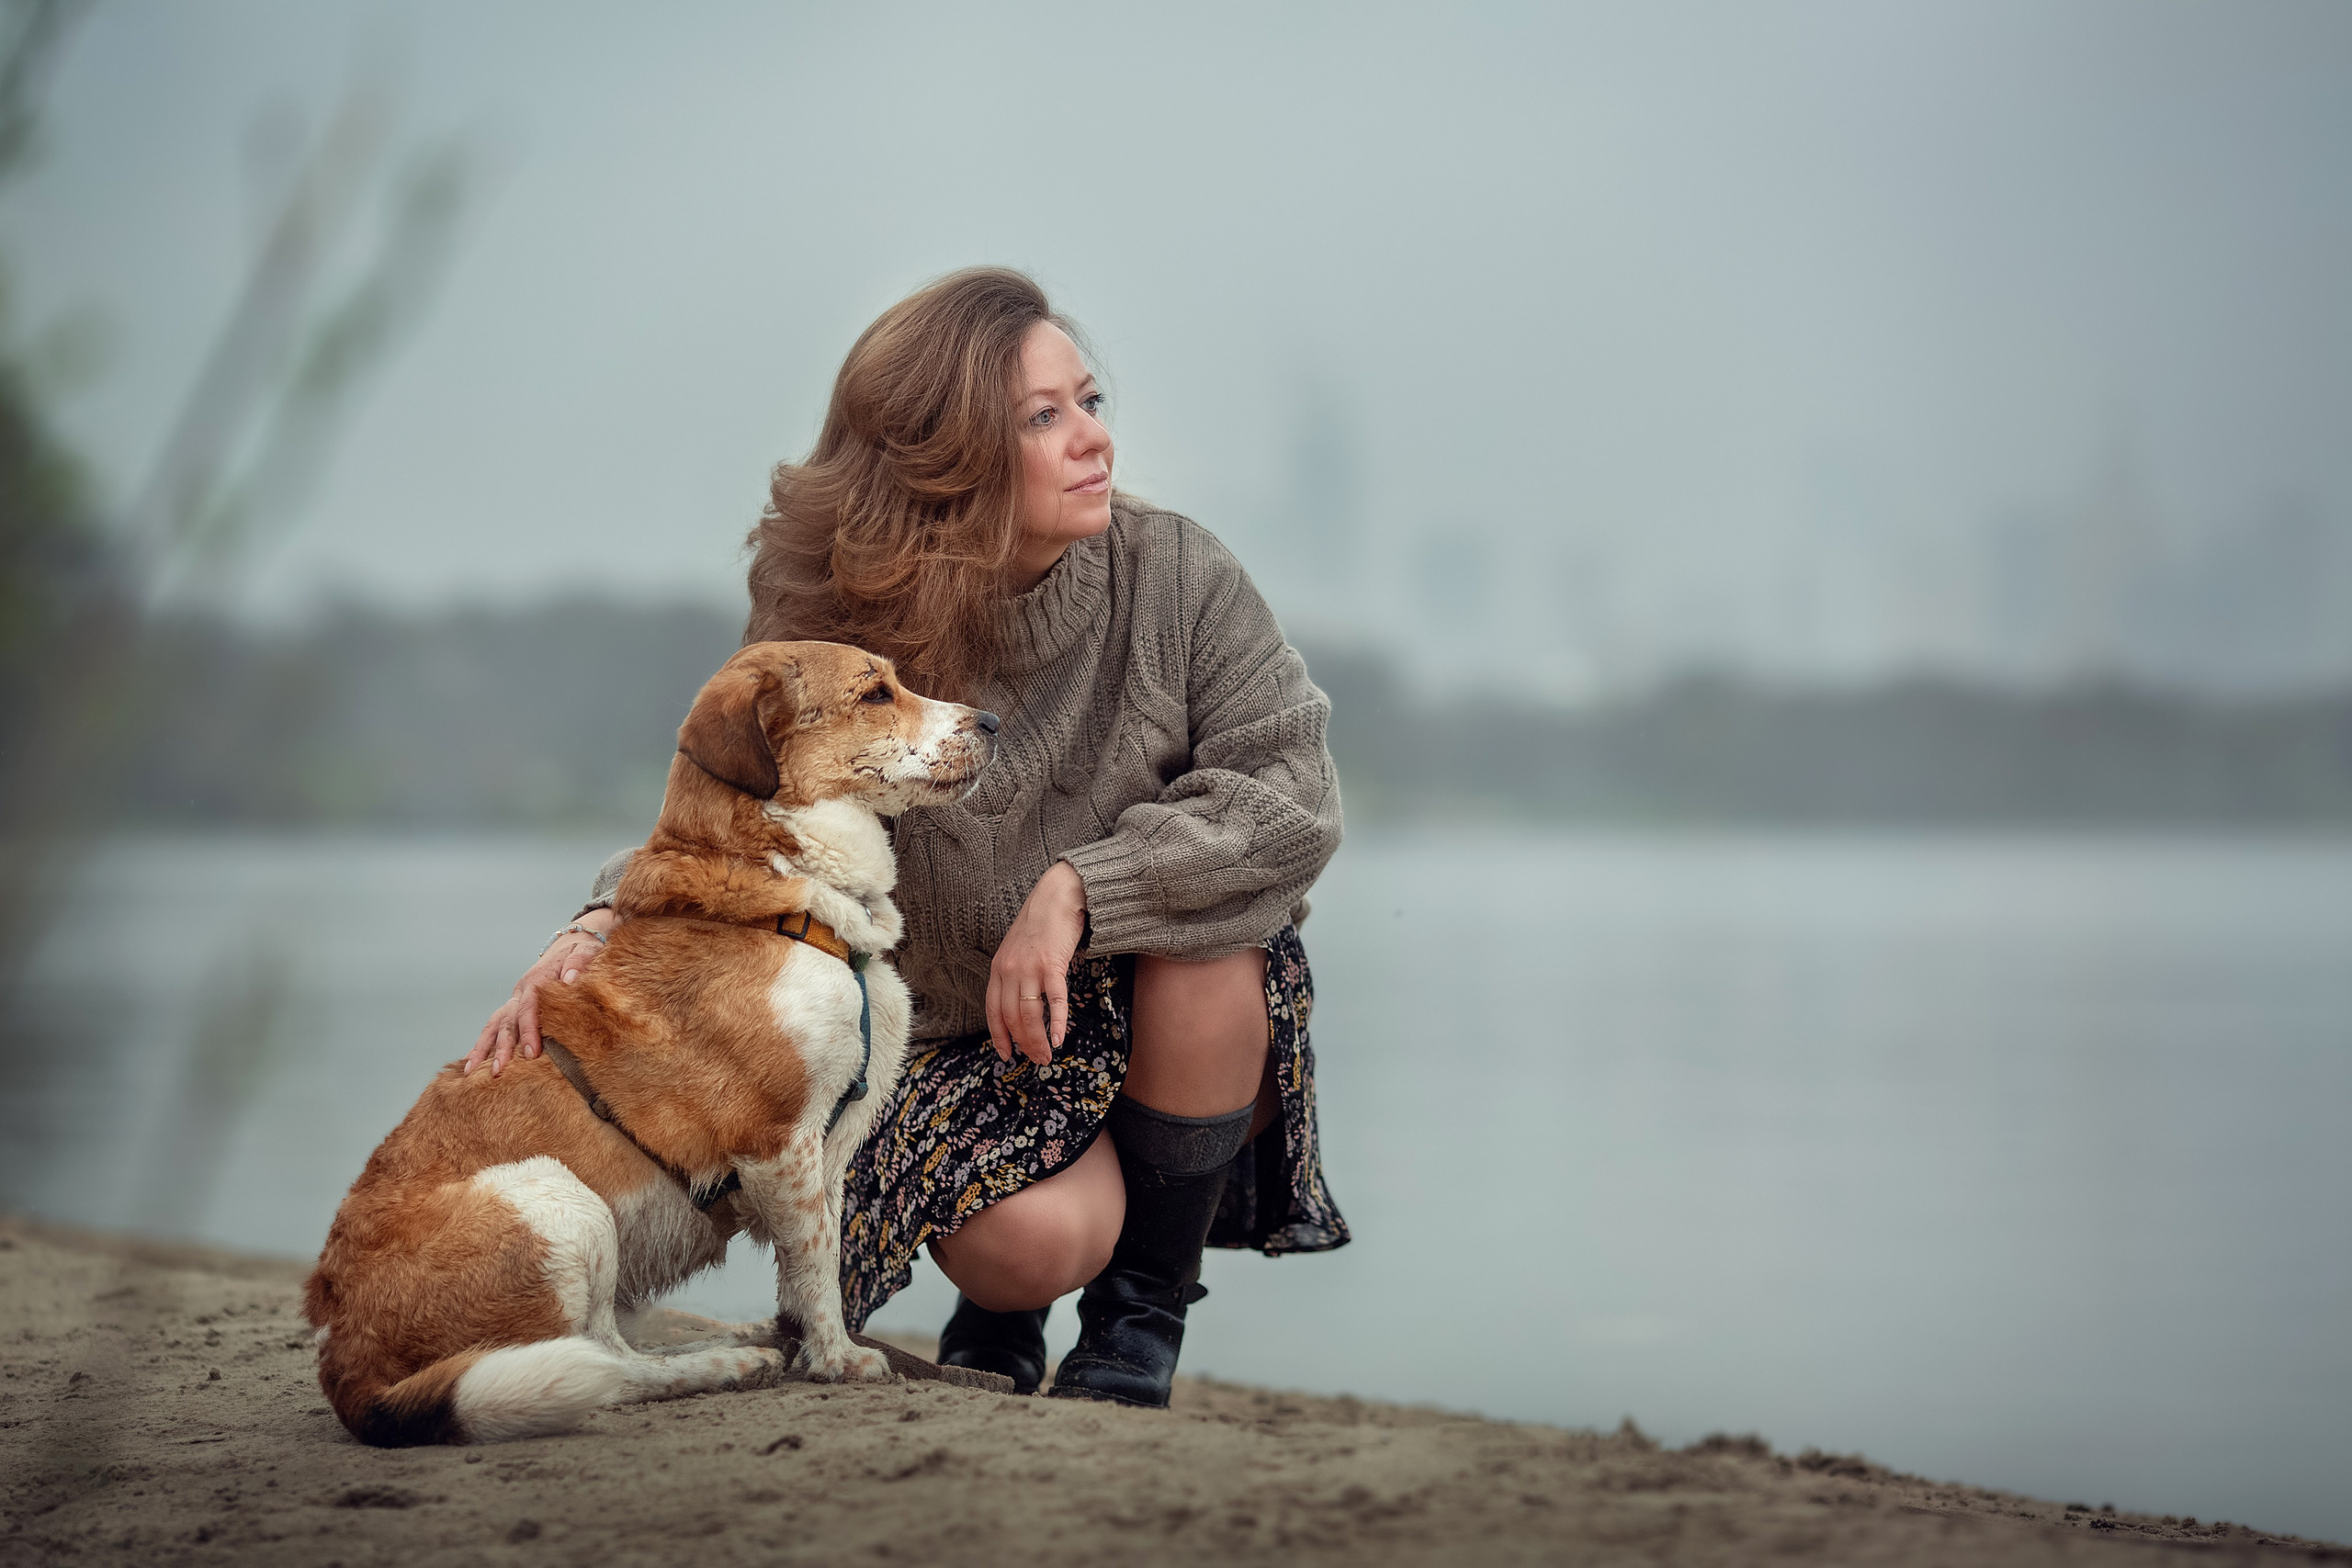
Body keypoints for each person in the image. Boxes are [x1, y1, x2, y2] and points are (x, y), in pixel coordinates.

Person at [463, 267, 1347, 1407]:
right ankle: (1008, 1304)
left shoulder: (1176, 574)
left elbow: (1291, 792)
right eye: (1043, 418)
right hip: (955, 1027)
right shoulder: (829, 612)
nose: (1092, 438)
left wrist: (1080, 887)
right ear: (945, 457)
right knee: (1026, 1246)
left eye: (1088, 401)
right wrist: (601, 917)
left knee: (1221, 954)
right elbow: (734, 809)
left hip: (1157, 1000)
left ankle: (1141, 1314)